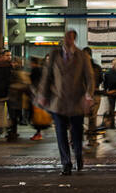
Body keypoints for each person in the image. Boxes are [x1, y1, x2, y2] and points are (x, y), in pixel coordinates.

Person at [36, 29, 94, 175]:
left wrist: (88, 95)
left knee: (77, 133)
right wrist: (42, 94)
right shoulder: (55, 55)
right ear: (63, 39)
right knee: (61, 133)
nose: (68, 40)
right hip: (59, 101)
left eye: (71, 38)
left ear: (74, 39)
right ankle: (66, 163)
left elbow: (90, 78)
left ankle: (79, 157)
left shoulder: (82, 56)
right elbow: (47, 76)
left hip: (76, 101)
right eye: (66, 37)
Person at [5, 56, 31, 141]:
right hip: (13, 97)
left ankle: (13, 132)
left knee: (14, 116)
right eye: (12, 62)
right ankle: (13, 132)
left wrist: (12, 86)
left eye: (15, 62)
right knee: (13, 116)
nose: (13, 64)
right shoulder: (11, 71)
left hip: (17, 97)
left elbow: (24, 85)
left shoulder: (19, 72)